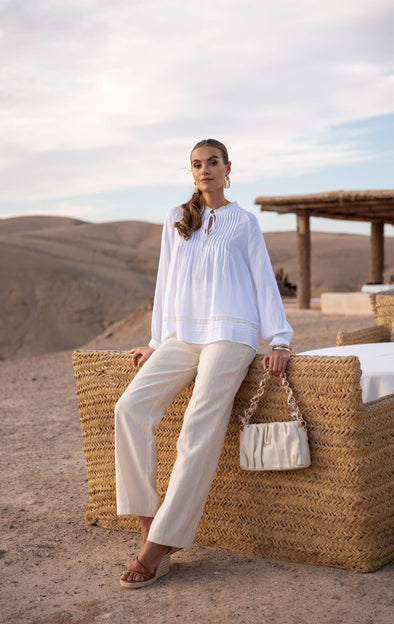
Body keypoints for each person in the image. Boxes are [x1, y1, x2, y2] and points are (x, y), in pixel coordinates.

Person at [115, 139, 293, 588]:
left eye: (212, 162)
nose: (205, 169)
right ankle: (150, 519)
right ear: (191, 171)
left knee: (198, 423)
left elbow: (263, 283)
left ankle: (159, 546)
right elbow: (165, 282)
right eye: (197, 164)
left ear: (227, 167)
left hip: (231, 334)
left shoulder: (244, 223)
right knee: (129, 409)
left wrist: (280, 340)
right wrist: (157, 341)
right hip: (184, 334)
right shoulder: (178, 218)